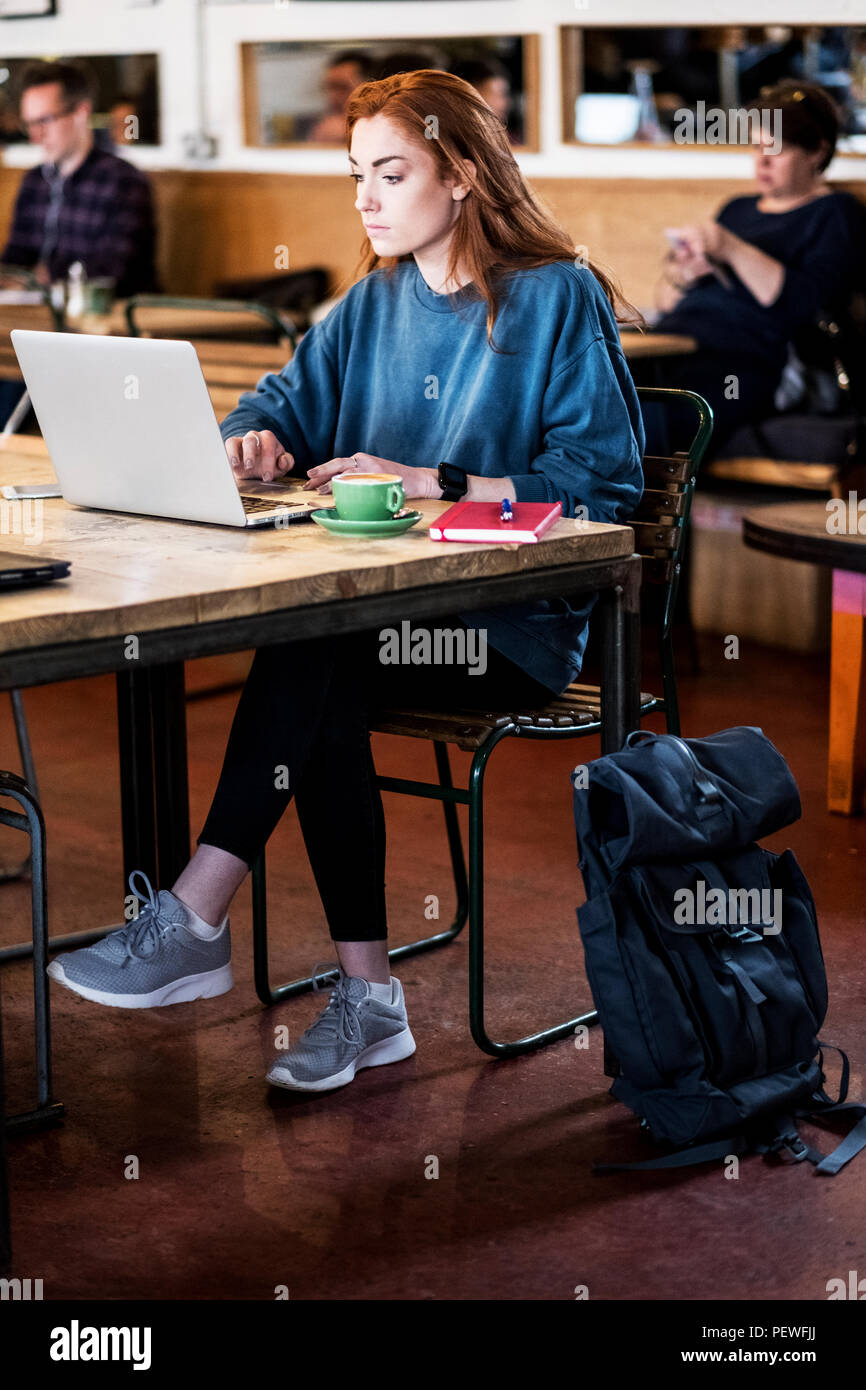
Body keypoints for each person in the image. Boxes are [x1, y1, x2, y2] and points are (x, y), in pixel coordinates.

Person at [46, 70, 644, 1096]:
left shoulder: (555, 295)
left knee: (314, 647)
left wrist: (435, 481)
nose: (364, 196)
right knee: (318, 652)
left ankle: (207, 924)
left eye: (390, 170)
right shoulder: (369, 301)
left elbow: (600, 492)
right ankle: (348, 994)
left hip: (509, 627)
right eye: (354, 173)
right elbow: (266, 404)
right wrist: (258, 439)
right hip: (375, 617)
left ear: (459, 174)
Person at [644, 79, 866, 455]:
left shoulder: (834, 214)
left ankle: (645, 510)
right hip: (676, 344)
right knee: (604, 392)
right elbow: (665, 302)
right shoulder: (737, 209)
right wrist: (683, 274)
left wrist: (730, 247)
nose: (761, 161)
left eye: (775, 149)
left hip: (752, 363)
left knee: (653, 413)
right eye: (756, 146)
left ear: (816, 151)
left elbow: (801, 305)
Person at [0, 60, 157, 297]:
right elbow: (15, 259)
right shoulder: (34, 181)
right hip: (38, 312)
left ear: (81, 113)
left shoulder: (123, 181)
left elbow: (116, 272)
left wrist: (43, 275)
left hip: (106, 321)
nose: (35, 136)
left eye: (44, 121)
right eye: (29, 123)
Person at [301, 50, 376, 143]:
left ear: (370, 91)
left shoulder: (387, 129)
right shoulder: (320, 126)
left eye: (342, 88)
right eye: (329, 88)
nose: (332, 96)